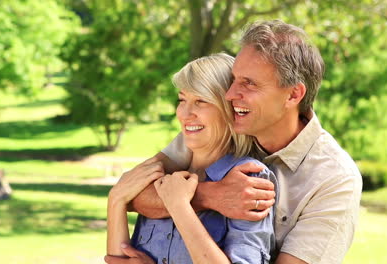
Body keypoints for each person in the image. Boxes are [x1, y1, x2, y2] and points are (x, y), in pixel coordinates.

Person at [124, 20, 363, 264]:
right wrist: (210, 196)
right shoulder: (226, 127)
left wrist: (183, 199)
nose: (230, 95)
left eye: (249, 83)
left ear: (293, 94)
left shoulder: (335, 180)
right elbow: (133, 193)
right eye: (234, 79)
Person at [106, 53, 278, 263]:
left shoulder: (249, 177)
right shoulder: (163, 174)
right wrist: (115, 201)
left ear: (229, 109)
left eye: (201, 101)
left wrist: (179, 206)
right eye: (182, 99)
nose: (185, 113)